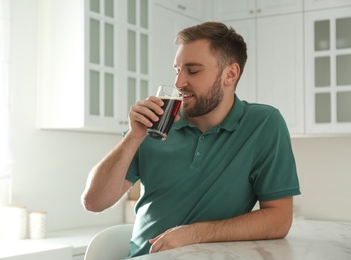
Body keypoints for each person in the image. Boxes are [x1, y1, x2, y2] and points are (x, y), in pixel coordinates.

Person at [81, 21, 301, 258]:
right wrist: (133, 138)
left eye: (193, 71)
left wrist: (192, 234)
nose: (179, 83)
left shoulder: (263, 124)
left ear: (230, 74)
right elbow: (94, 202)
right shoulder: (156, 124)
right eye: (177, 70)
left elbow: (279, 219)